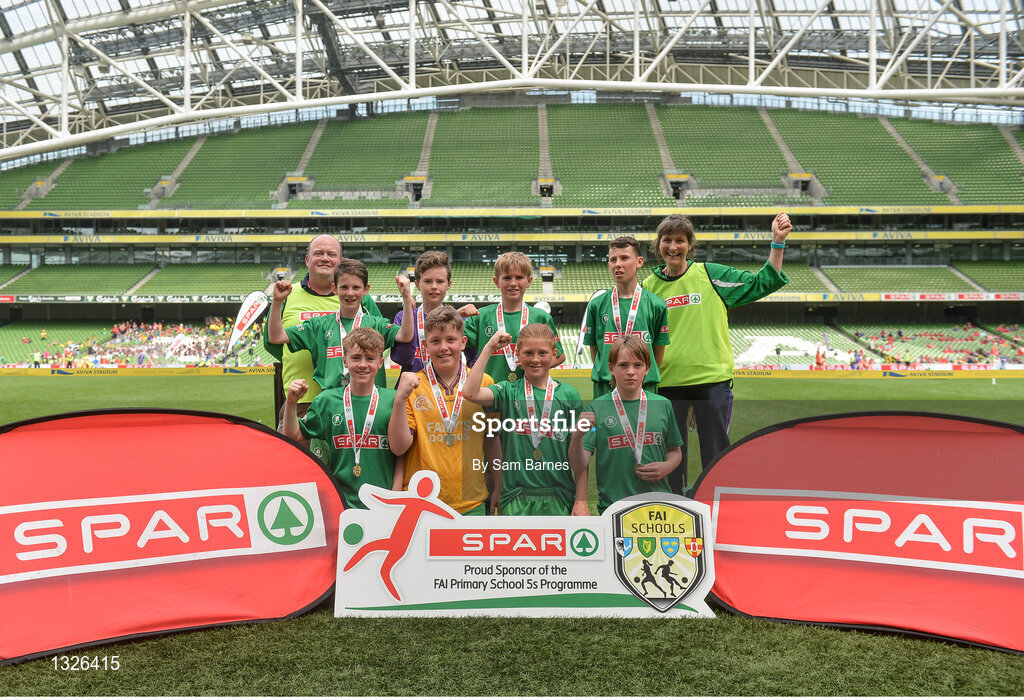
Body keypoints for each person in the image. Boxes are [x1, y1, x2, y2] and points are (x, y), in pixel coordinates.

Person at [642, 212, 791, 492]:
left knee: (716, 453)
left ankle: (716, 504)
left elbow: (762, 282)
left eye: (680, 240)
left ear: (690, 245)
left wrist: (777, 243)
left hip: (711, 382)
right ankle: (677, 505)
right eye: (667, 240)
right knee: (672, 457)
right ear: (658, 244)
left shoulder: (711, 275)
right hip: (666, 386)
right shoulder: (648, 288)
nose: (673, 247)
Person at [463, 323, 587, 516]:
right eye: (528, 353)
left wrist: (581, 501)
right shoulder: (509, 391)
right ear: (518, 355)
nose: (535, 359)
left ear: (554, 354)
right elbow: (470, 393)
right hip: (515, 497)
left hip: (560, 496)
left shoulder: (569, 395)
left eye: (542, 353)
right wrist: (489, 348)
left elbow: (580, 459)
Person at [388, 305, 498, 516]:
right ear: (426, 345)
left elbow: (492, 440)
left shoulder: (484, 383)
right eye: (435, 341)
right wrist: (400, 399)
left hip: (471, 502)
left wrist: (498, 485)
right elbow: (399, 447)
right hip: (421, 502)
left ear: (463, 342)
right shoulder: (413, 386)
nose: (443, 347)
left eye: (451, 340)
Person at [263, 235, 385, 421]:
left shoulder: (359, 297)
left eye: (331, 254)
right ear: (307, 259)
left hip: (355, 399)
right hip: (303, 399)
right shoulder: (286, 294)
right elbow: (271, 342)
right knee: (298, 448)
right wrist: (317, 354)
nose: (325, 258)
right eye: (318, 253)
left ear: (341, 261)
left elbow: (379, 342)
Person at [281, 328, 401, 509]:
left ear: (380, 362)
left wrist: (395, 497)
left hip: (384, 503)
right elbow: (294, 435)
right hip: (340, 503)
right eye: (356, 358)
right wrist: (291, 403)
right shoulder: (327, 400)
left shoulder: (393, 400)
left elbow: (402, 454)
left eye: (370, 358)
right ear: (345, 361)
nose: (363, 364)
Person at [268, 258, 414, 396]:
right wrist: (277, 301)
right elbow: (276, 337)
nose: (350, 293)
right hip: (333, 405)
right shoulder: (319, 325)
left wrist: (406, 298)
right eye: (344, 287)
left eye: (356, 287)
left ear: (366, 289)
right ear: (334, 288)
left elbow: (405, 335)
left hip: (373, 404)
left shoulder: (376, 324)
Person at [571, 335, 683, 514]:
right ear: (611, 368)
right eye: (623, 365)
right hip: (614, 508)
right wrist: (576, 437)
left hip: (658, 505)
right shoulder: (595, 408)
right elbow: (579, 464)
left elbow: (674, 451)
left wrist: (668, 466)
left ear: (647, 368)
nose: (631, 371)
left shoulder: (663, 404)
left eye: (637, 365)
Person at [583, 236, 669, 399]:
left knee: (647, 425)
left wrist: (641, 374)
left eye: (624, 258)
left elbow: (658, 352)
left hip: (645, 387)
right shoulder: (596, 304)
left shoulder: (656, 304)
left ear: (639, 262)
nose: (618, 264)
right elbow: (595, 349)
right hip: (605, 386)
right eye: (613, 260)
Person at [463, 251, 565, 384]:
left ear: (529, 281)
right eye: (507, 278)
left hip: (529, 395)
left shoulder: (541, 317)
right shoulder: (479, 316)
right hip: (488, 393)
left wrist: (535, 364)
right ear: (496, 281)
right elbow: (449, 341)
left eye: (519, 277)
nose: (513, 283)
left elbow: (560, 356)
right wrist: (458, 315)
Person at [390, 250, 477, 374]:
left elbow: (473, 357)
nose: (434, 286)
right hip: (413, 389)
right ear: (417, 284)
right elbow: (402, 358)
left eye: (440, 281)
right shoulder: (404, 317)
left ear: (449, 284)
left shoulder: (461, 320)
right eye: (428, 281)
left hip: (450, 391)